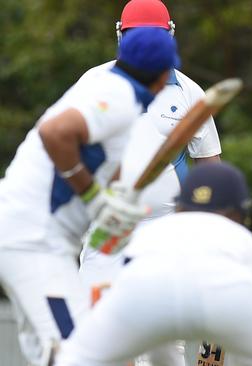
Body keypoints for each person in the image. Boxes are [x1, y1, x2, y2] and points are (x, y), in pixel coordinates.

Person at [0, 27, 180, 365]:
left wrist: (114, 206)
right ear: (162, 74)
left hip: (33, 239)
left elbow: (102, 164)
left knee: (52, 353)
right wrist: (94, 197)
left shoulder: (111, 92)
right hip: (34, 242)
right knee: (80, 354)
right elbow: (55, 133)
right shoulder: (118, 96)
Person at [55, 162, 252, 366]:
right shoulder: (242, 239)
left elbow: (122, 277)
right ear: (239, 214)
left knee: (74, 359)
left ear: (180, 207)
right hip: (226, 294)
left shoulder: (151, 233)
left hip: (143, 290)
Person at [76, 2, 222, 363]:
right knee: (96, 326)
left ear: (169, 35)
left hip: (165, 228)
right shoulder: (95, 81)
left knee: (160, 333)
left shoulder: (190, 92)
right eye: (134, 36)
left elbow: (209, 166)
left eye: (152, 36)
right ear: (120, 36)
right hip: (107, 222)